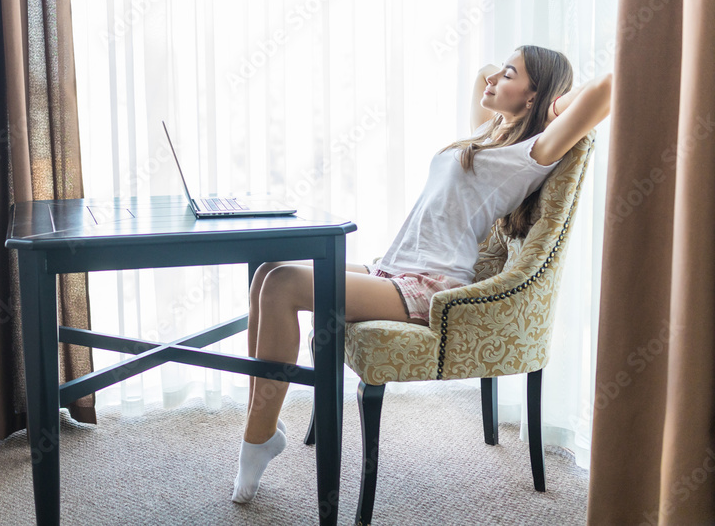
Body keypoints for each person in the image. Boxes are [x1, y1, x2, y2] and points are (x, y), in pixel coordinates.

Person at [231, 44, 613, 504]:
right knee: (269, 272)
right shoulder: (492, 133)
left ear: (534, 98)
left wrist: (554, 102)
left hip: (430, 283)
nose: (493, 81)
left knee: (284, 286)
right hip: (392, 268)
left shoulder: (535, 151)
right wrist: (513, 79)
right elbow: (482, 75)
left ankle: (257, 438)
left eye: (510, 75)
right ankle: (261, 423)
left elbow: (605, 90)